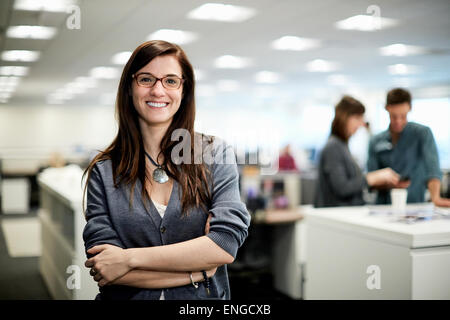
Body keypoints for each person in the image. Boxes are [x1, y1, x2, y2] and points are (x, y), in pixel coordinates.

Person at [82, 40, 251, 300]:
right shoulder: (103, 171)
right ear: (130, 87)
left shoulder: (214, 154)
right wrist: (200, 270)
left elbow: (224, 245)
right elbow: (106, 268)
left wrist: (128, 258)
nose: (158, 90)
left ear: (184, 90)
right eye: (146, 79)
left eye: (171, 81)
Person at [314, 95, 402, 208]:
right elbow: (342, 188)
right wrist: (372, 178)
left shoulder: (342, 146)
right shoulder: (333, 147)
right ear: (344, 117)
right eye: (357, 118)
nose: (361, 124)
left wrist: (379, 181)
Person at [368, 88, 450, 207]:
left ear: (409, 109)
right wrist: (389, 183)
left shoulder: (422, 134)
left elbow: (432, 169)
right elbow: (370, 179)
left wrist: (435, 198)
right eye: (393, 116)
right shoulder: (375, 141)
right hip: (383, 206)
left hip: (414, 205)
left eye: (403, 116)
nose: (398, 121)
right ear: (386, 108)